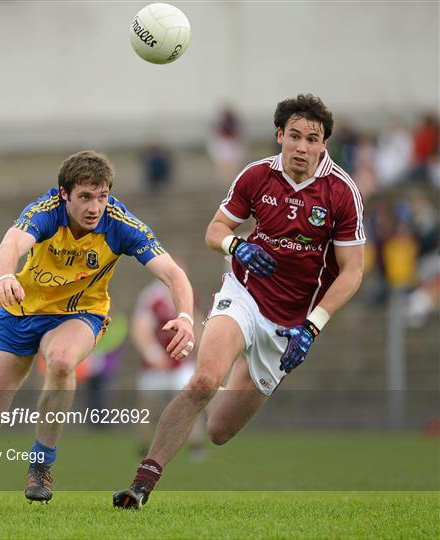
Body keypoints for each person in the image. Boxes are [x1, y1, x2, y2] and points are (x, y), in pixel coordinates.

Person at [114, 94, 365, 509]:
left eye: (312, 139)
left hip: (290, 322)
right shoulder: (255, 175)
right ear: (280, 135)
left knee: (218, 430)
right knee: (203, 380)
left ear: (324, 144)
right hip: (244, 294)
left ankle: (248, 358)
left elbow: (352, 271)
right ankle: (141, 485)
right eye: (295, 136)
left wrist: (313, 325)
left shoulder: (341, 191)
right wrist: (237, 246)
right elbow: (215, 230)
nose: (302, 147)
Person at [0, 150, 195, 510]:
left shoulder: (120, 223)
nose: (95, 207)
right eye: (85, 197)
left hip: (80, 313)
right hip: (20, 313)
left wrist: (185, 316)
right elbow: (11, 244)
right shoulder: (44, 212)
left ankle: (41, 463)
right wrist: (5, 277)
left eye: (102, 196)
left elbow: (174, 274)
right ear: (64, 194)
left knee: (61, 361)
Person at [131, 276, 205, 460]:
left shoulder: (188, 294)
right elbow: (141, 327)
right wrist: (153, 355)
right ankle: (144, 446)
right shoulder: (152, 296)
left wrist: (198, 352)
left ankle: (196, 445)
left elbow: (196, 322)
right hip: (156, 364)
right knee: (148, 407)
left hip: (181, 362)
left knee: (190, 401)